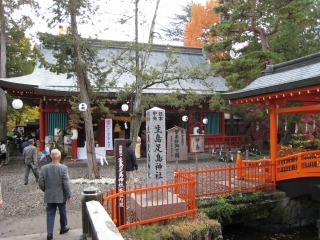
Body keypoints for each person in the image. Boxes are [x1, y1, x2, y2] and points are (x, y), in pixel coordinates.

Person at [38, 149, 72, 240]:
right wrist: (68, 195)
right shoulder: (63, 168)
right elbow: (66, 183)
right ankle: (63, 227)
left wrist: (45, 189)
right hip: (60, 195)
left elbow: (40, 181)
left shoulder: (44, 168)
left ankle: (49, 233)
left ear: (50, 157)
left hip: (49, 194)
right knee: (63, 211)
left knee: (50, 213)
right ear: (60, 157)